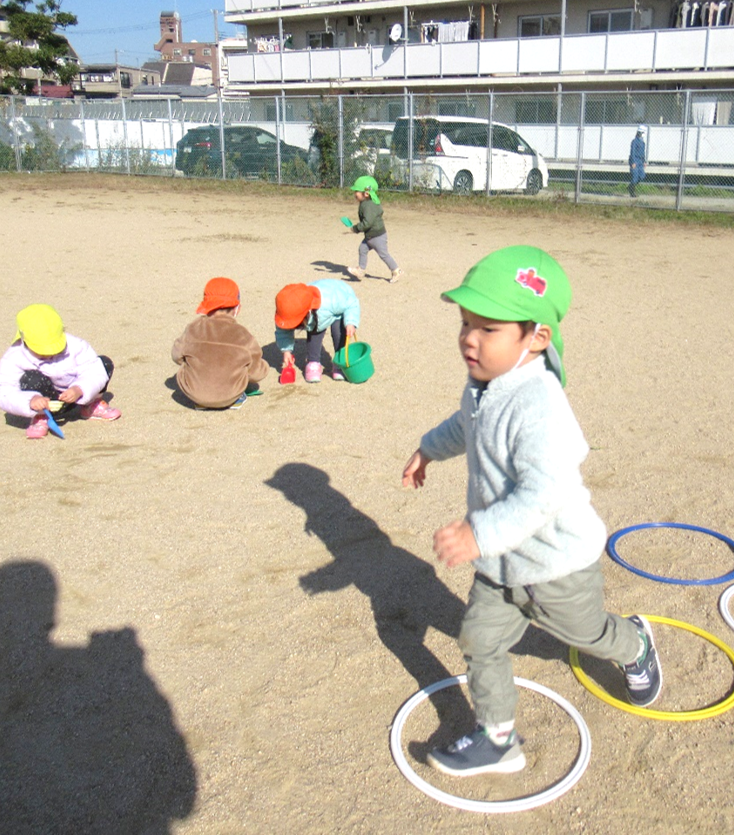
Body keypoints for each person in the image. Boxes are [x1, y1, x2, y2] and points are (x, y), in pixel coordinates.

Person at [401, 246, 662, 777]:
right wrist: (429, 447)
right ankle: (499, 739)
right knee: (477, 638)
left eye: (488, 328)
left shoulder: (539, 403)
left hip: (554, 563)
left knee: (587, 634)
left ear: (536, 337)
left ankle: (634, 644)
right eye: (465, 322)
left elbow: (542, 495)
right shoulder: (486, 385)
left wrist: (479, 533)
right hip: (500, 563)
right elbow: (465, 425)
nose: (469, 338)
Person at [0, 304, 121, 439]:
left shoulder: (76, 345)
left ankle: (91, 404)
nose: (49, 354)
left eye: (56, 348)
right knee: (31, 378)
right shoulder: (14, 356)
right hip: (46, 401)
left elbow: (93, 369)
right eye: (41, 351)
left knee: (103, 363)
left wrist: (79, 389)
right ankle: (40, 417)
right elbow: (3, 390)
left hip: (75, 395)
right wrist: (31, 400)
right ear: (24, 339)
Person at [171, 277, 269, 409]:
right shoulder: (242, 334)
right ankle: (235, 399)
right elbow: (257, 372)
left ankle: (202, 398)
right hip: (230, 394)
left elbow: (176, 355)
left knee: (187, 362)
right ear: (237, 309)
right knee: (246, 366)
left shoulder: (193, 328)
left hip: (194, 393)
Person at [275, 280, 360, 384]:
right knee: (314, 332)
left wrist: (350, 322)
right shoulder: (286, 309)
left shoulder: (331, 300)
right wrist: (286, 351)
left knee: (338, 333)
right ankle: (313, 362)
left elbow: (351, 303)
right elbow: (284, 330)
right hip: (316, 315)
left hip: (339, 306)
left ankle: (340, 361)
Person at [345, 175, 404, 283]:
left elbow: (367, 222)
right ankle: (361, 270)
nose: (355, 194)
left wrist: (355, 229)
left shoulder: (369, 205)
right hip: (370, 235)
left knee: (383, 254)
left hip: (377, 236)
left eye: (357, 191)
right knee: (362, 249)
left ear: (366, 194)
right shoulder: (366, 203)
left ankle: (396, 270)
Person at [628, 125, 646, 198]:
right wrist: (633, 162)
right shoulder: (634, 141)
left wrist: (644, 161)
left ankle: (631, 186)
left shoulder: (642, 142)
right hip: (635, 160)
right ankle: (632, 191)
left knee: (642, 176)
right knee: (635, 177)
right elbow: (632, 152)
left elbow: (643, 153)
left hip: (640, 162)